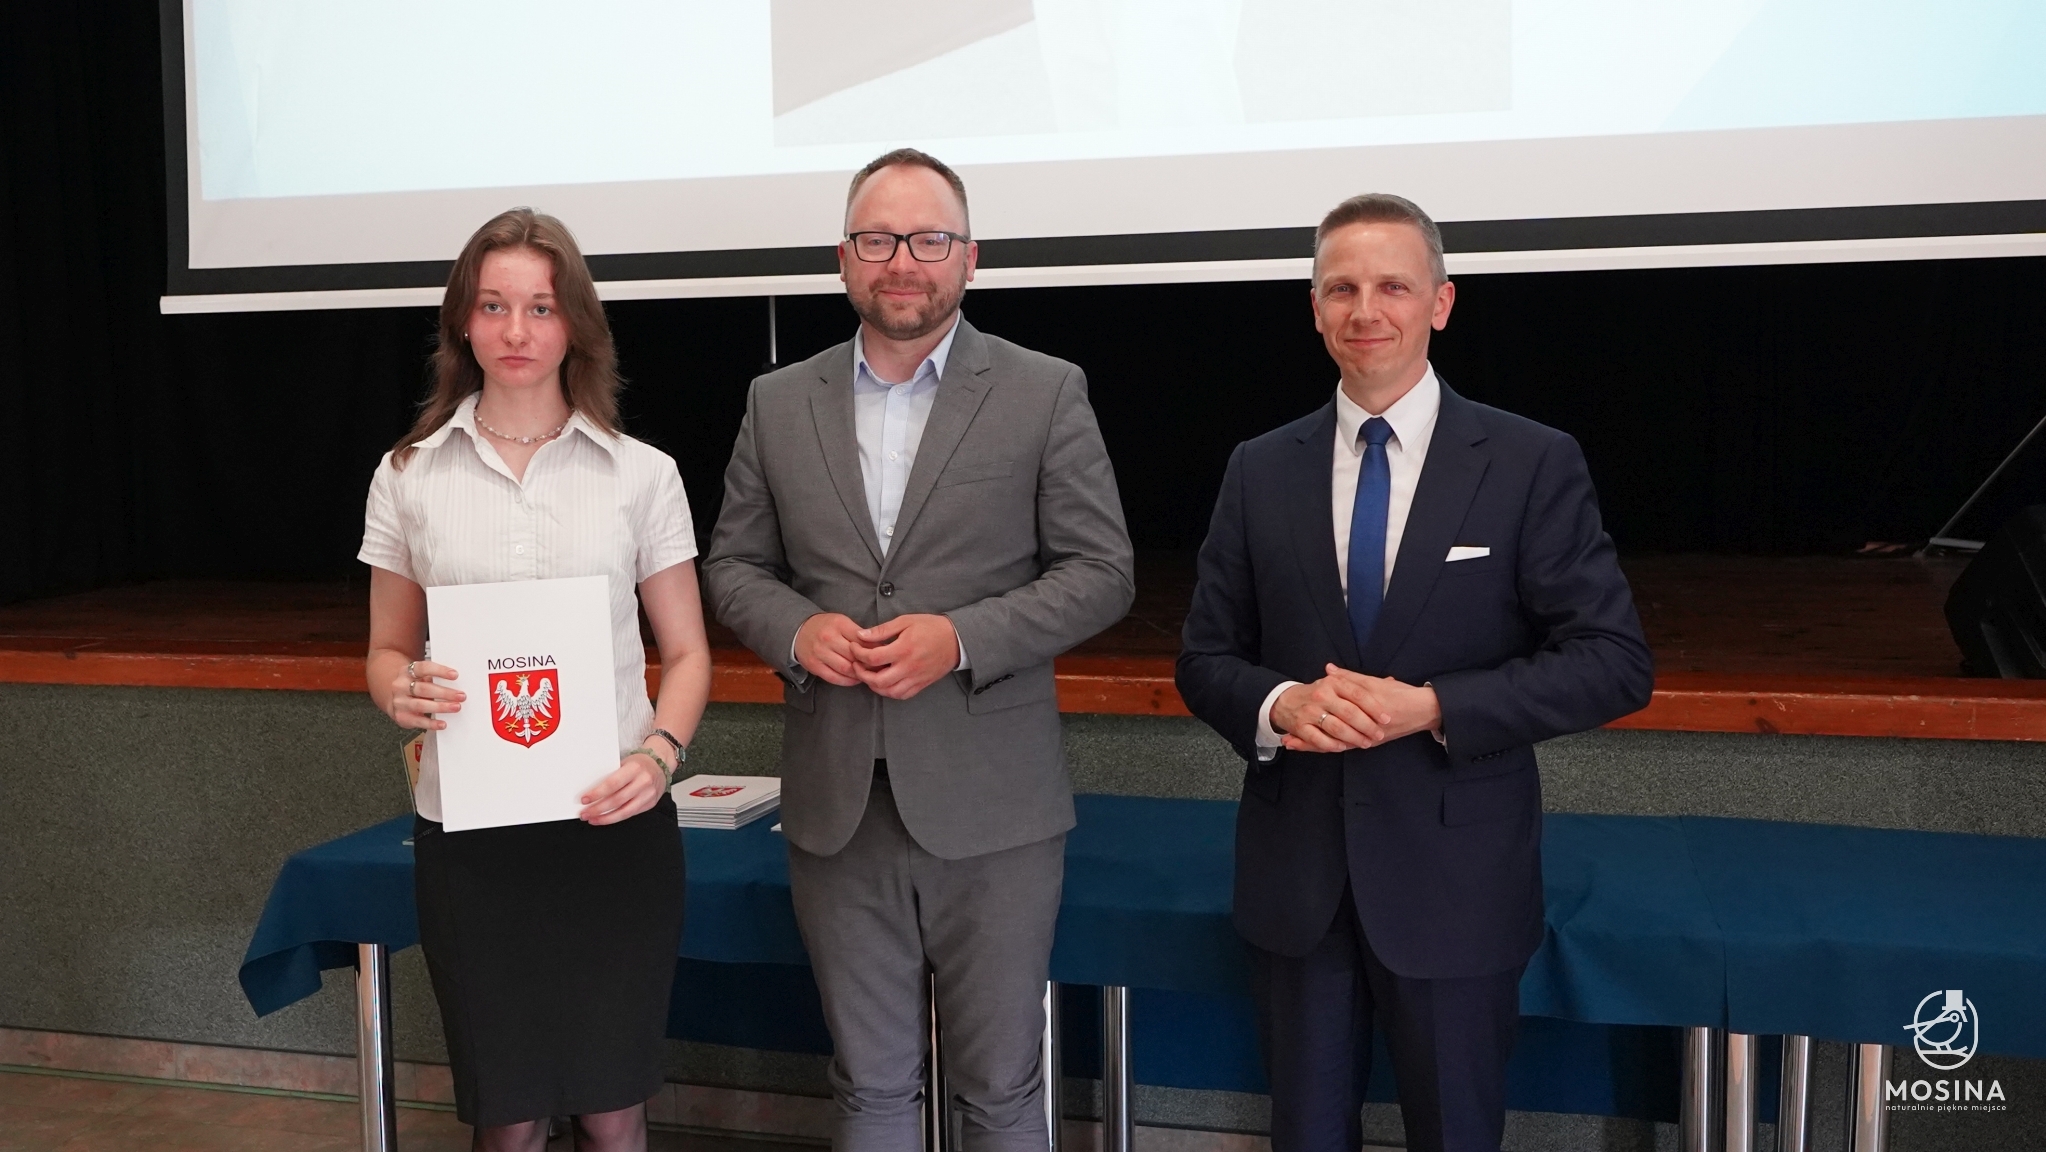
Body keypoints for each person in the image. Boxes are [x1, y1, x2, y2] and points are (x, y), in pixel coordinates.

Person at [1175, 194, 1654, 1152]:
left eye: (1393, 286)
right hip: (1298, 887)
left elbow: (1614, 662)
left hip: (1456, 887)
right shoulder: (1259, 468)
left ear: (1440, 302)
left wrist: (1436, 706)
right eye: (1341, 288)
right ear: (1315, 308)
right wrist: (1280, 705)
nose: (1367, 310)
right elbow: (1204, 658)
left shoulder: (1528, 460)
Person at [703, 148, 1134, 1151]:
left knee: (1001, 1092)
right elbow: (733, 567)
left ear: (969, 257)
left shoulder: (1044, 390)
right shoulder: (778, 401)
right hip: (837, 803)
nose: (903, 261)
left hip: (996, 804)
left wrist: (963, 639)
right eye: (878, 239)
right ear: (843, 258)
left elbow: (1102, 570)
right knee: (870, 1088)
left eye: (929, 240)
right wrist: (797, 630)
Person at [361, 208, 713, 1152]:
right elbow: (385, 651)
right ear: (463, 322)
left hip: (613, 825)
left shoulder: (642, 475)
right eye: (494, 305)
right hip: (472, 838)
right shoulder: (408, 475)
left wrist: (660, 755)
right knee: (506, 1117)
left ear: (575, 324)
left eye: (541, 307)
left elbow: (687, 654)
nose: (516, 330)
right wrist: (398, 689)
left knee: (612, 1111)